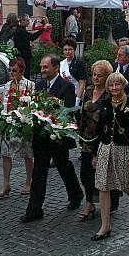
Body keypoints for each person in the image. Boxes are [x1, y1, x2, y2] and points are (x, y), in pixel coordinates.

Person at [21, 55, 84, 223]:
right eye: (41, 67)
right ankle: (34, 209)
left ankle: (76, 194)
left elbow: (68, 111)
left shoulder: (67, 87)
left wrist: (54, 121)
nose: (42, 71)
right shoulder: (39, 85)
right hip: (41, 138)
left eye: (45, 67)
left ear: (56, 67)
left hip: (57, 138)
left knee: (64, 167)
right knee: (39, 172)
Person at [91, 72, 129, 240]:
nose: (114, 88)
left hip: (123, 149)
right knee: (103, 186)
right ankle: (105, 226)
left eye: (117, 85)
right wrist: (95, 153)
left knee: (124, 184)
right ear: (108, 88)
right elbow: (99, 130)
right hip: (105, 148)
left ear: (123, 85)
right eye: (111, 85)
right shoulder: (104, 104)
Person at [77, 60, 114, 221]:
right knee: (85, 173)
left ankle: (107, 203)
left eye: (100, 76)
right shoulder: (88, 92)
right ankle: (89, 202)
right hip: (87, 139)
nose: (96, 78)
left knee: (102, 174)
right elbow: (82, 115)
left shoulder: (109, 95)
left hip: (102, 140)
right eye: (94, 75)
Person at [0, 57, 35, 198]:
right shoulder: (7, 86)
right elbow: (4, 104)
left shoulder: (30, 85)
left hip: (23, 123)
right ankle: (6, 184)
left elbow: (31, 105)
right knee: (5, 154)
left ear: (22, 71)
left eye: (15, 70)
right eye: (10, 70)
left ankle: (28, 181)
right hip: (8, 122)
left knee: (27, 154)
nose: (12, 73)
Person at [60, 38, 88, 106]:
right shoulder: (61, 64)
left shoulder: (80, 63)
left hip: (77, 95)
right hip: (65, 96)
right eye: (65, 50)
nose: (67, 52)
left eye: (70, 49)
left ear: (74, 50)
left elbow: (82, 83)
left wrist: (77, 100)